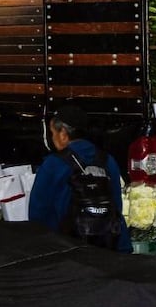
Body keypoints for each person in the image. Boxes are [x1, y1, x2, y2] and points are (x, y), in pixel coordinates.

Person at [28, 104, 132, 252]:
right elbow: (116, 205)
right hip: (109, 247)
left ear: (63, 134)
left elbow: (38, 214)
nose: (52, 138)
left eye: (52, 133)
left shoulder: (53, 164)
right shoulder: (108, 160)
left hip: (66, 250)